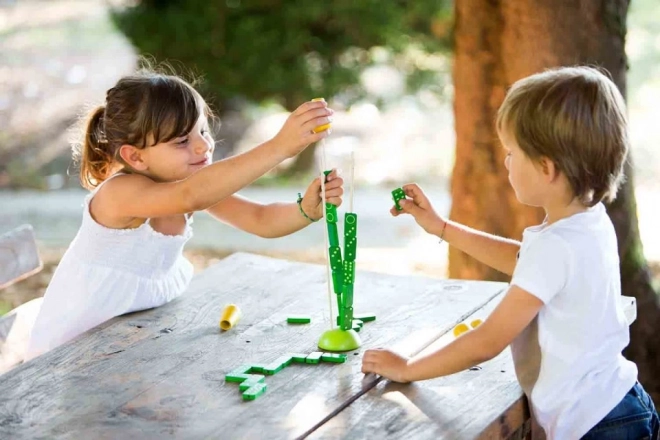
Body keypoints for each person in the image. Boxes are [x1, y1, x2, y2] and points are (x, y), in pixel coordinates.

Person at [361, 66, 659, 439]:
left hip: (596, 425)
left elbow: (487, 343)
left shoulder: (556, 246)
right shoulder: (588, 222)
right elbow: (527, 262)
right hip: (622, 403)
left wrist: (407, 368)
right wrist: (442, 228)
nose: (506, 162)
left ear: (546, 168)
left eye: (512, 153)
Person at [25, 67, 342, 361]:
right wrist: (279, 147)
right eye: (182, 141)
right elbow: (193, 194)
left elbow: (260, 219)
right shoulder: (118, 195)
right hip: (67, 357)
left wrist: (306, 211)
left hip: (128, 345)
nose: (204, 147)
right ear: (135, 156)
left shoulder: (187, 184)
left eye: (203, 130)